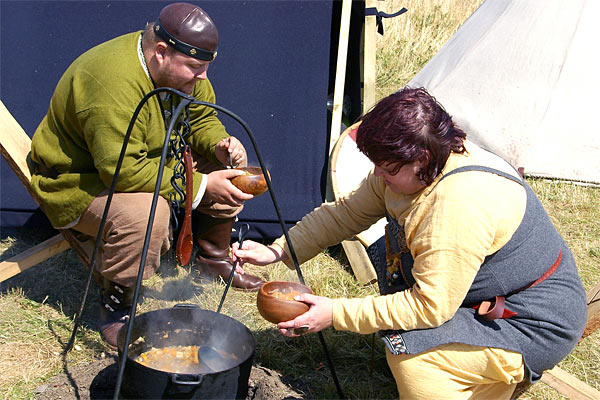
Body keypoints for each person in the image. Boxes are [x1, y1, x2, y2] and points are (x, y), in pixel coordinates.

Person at [233, 87, 587, 399]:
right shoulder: (408, 171)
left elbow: (429, 308)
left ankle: (488, 382)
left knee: (413, 360)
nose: (377, 175)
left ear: (423, 160)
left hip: (529, 321)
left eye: (386, 168)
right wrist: (278, 249)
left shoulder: (454, 206)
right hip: (475, 296)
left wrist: (335, 313)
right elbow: (344, 215)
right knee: (400, 327)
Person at [29, 2, 264, 349]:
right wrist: (200, 186)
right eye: (195, 67)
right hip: (80, 179)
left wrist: (218, 145)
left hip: (144, 161)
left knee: (229, 172)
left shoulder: (181, 72)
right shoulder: (109, 85)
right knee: (148, 215)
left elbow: (200, 119)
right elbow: (120, 171)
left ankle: (212, 259)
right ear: (161, 52)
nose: (203, 77)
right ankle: (116, 306)